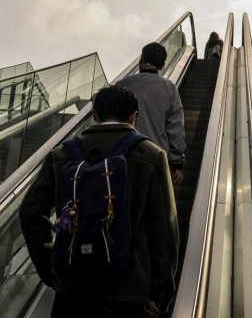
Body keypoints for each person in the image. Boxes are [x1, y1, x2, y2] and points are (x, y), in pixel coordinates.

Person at [20, 85, 179, 318]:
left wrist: (51, 269)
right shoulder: (151, 155)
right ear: (133, 117)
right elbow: (164, 227)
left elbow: (30, 213)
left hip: (72, 289)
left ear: (94, 114)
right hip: (128, 291)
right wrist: (160, 291)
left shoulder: (61, 154)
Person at [120, 42, 186, 186]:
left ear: (141, 60)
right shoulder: (170, 88)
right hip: (157, 159)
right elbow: (175, 126)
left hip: (124, 156)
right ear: (162, 66)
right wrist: (177, 162)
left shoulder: (121, 85)